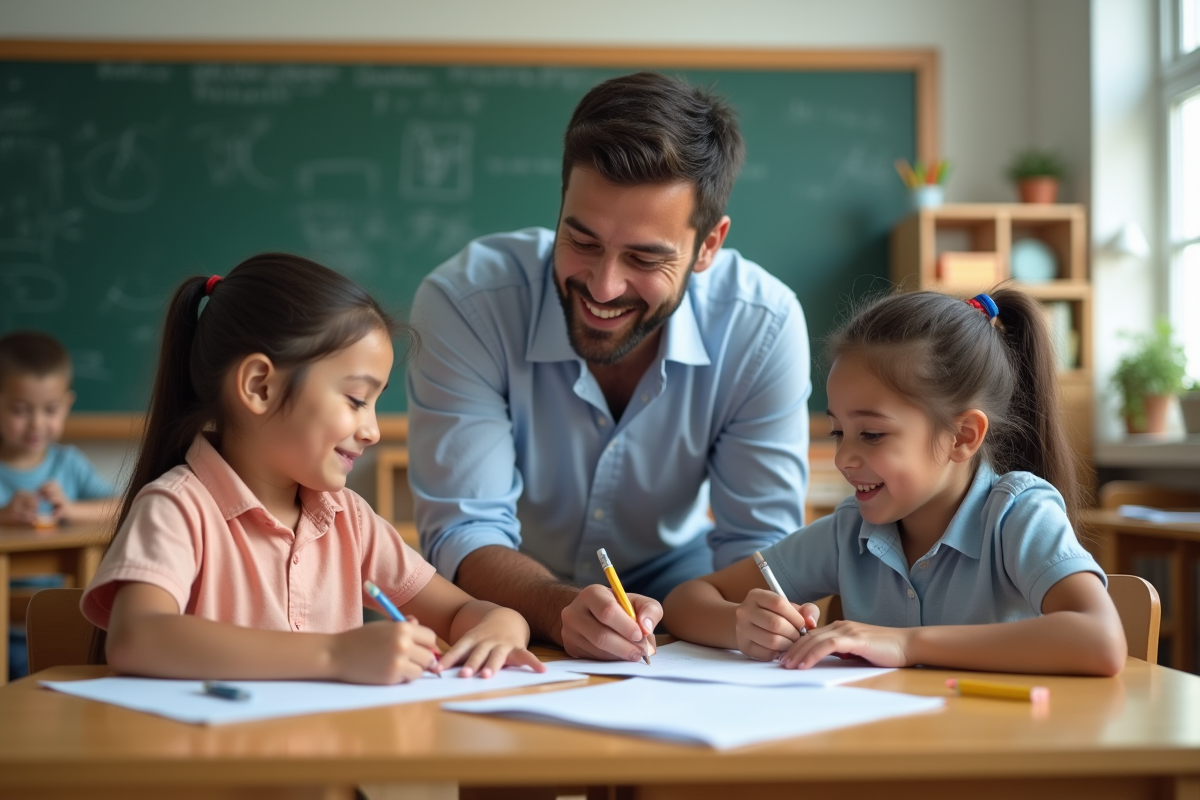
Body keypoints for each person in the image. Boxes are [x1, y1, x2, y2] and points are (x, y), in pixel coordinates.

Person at [407, 72, 811, 663]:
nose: (603, 285)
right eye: (583, 241)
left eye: (645, 257)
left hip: (681, 600)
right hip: (509, 605)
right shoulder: (466, 302)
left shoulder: (763, 325)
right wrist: (556, 606)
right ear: (562, 204)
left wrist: (759, 620)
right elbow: (465, 533)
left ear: (707, 245)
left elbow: (759, 548)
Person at [82, 254, 543, 683]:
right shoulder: (178, 508)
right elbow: (137, 638)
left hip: (328, 765)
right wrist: (335, 656)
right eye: (356, 400)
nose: (372, 431)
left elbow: (465, 611)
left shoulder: (351, 521)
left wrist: (502, 624)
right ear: (259, 386)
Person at [663, 288, 1127, 676]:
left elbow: (1101, 639)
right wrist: (740, 624)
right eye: (838, 432)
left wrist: (907, 645)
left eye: (872, 434)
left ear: (962, 436)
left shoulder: (1017, 515)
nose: (844, 457)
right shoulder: (851, 533)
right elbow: (687, 600)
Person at [0, 331, 116, 527]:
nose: (37, 423)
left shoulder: (70, 464)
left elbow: (121, 507)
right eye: (20, 410)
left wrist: (70, 509)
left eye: (51, 409)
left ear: (66, 405)